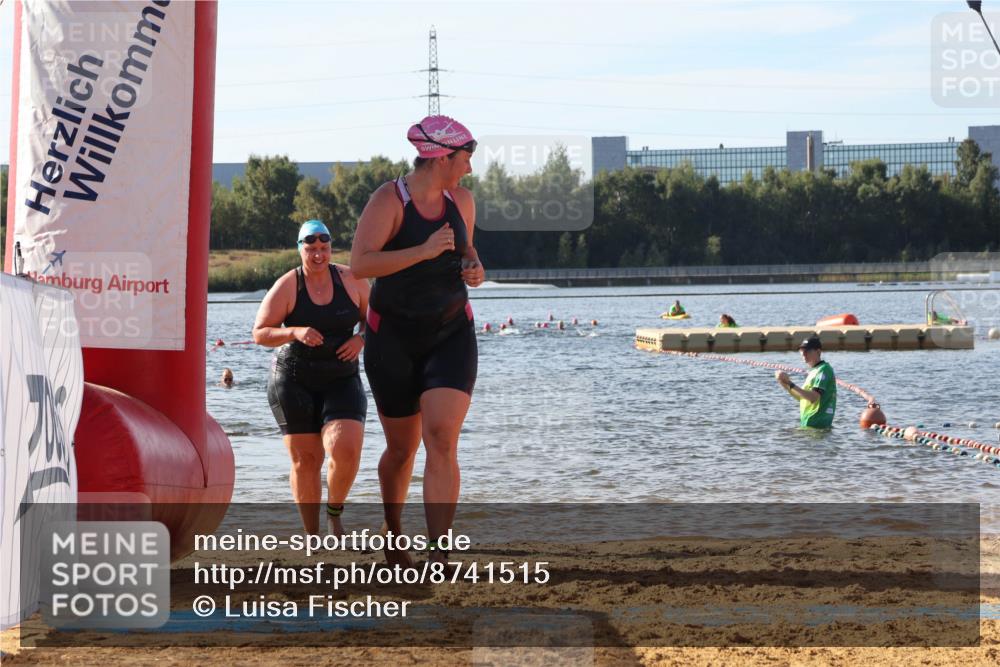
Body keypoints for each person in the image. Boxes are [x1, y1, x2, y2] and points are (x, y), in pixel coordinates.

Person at [350, 115, 484, 567]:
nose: (469, 167)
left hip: (450, 332)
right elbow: (361, 265)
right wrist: (424, 250)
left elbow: (468, 252)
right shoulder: (389, 200)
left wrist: (474, 269)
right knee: (402, 449)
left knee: (441, 437)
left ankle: (440, 550)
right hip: (393, 339)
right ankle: (393, 531)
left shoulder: (461, 201)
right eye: (465, 158)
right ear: (441, 158)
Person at [253, 220, 370, 536]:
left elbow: (376, 319)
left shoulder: (351, 279)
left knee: (346, 448)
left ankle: (334, 514)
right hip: (293, 379)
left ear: (331, 248)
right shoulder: (288, 285)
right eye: (311, 248)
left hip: (341, 377)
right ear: (300, 249)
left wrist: (361, 338)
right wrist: (294, 331)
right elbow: (260, 333)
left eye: (324, 248)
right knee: (307, 460)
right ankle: (312, 535)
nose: (318, 255)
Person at [774, 337, 837, 429]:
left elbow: (813, 397)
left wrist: (790, 383)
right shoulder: (814, 371)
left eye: (807, 351)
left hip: (818, 426)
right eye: (802, 350)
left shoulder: (824, 369)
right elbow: (801, 398)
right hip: (809, 424)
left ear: (818, 352)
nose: (803, 354)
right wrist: (783, 382)